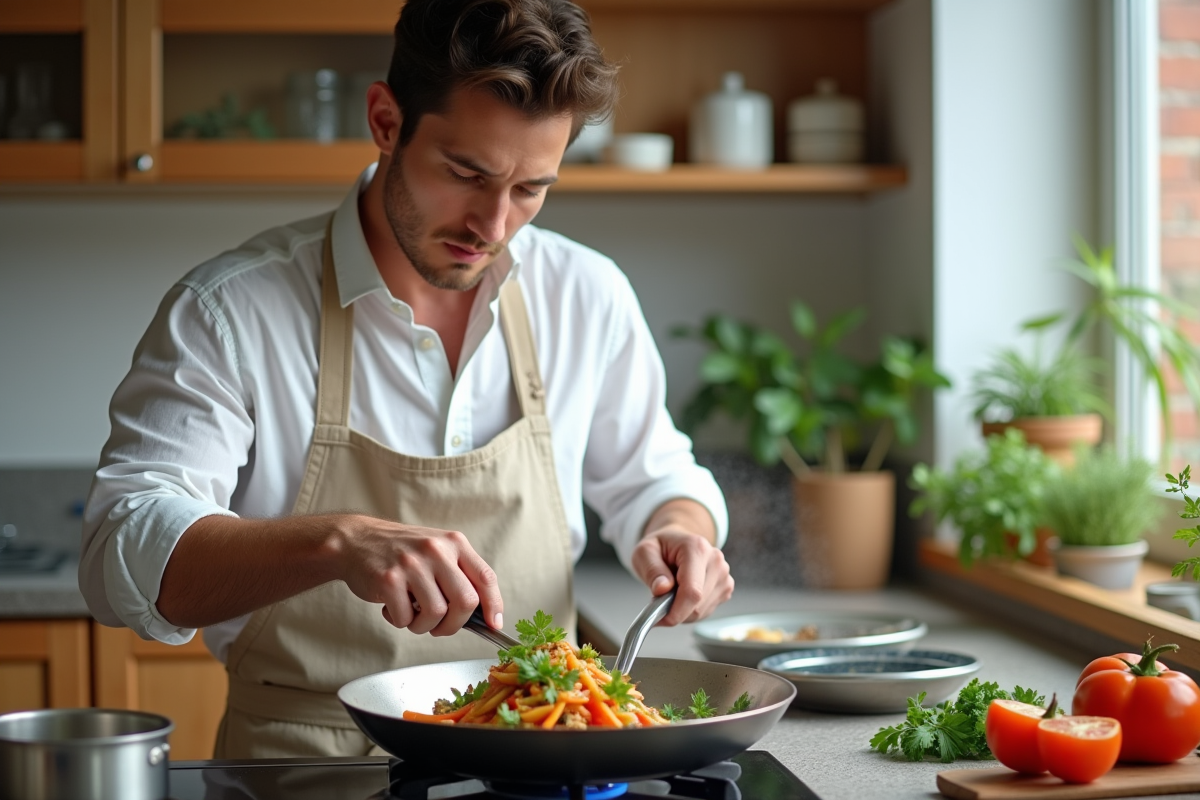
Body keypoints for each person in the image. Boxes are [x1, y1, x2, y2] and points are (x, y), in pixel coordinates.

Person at [79, 0, 732, 758]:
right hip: (301, 765)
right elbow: (119, 553)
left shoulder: (586, 294)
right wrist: (337, 542)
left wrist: (681, 531)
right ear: (386, 121)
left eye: (531, 189)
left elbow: (654, 476)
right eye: (465, 173)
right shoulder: (231, 310)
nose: (492, 225)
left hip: (534, 750)